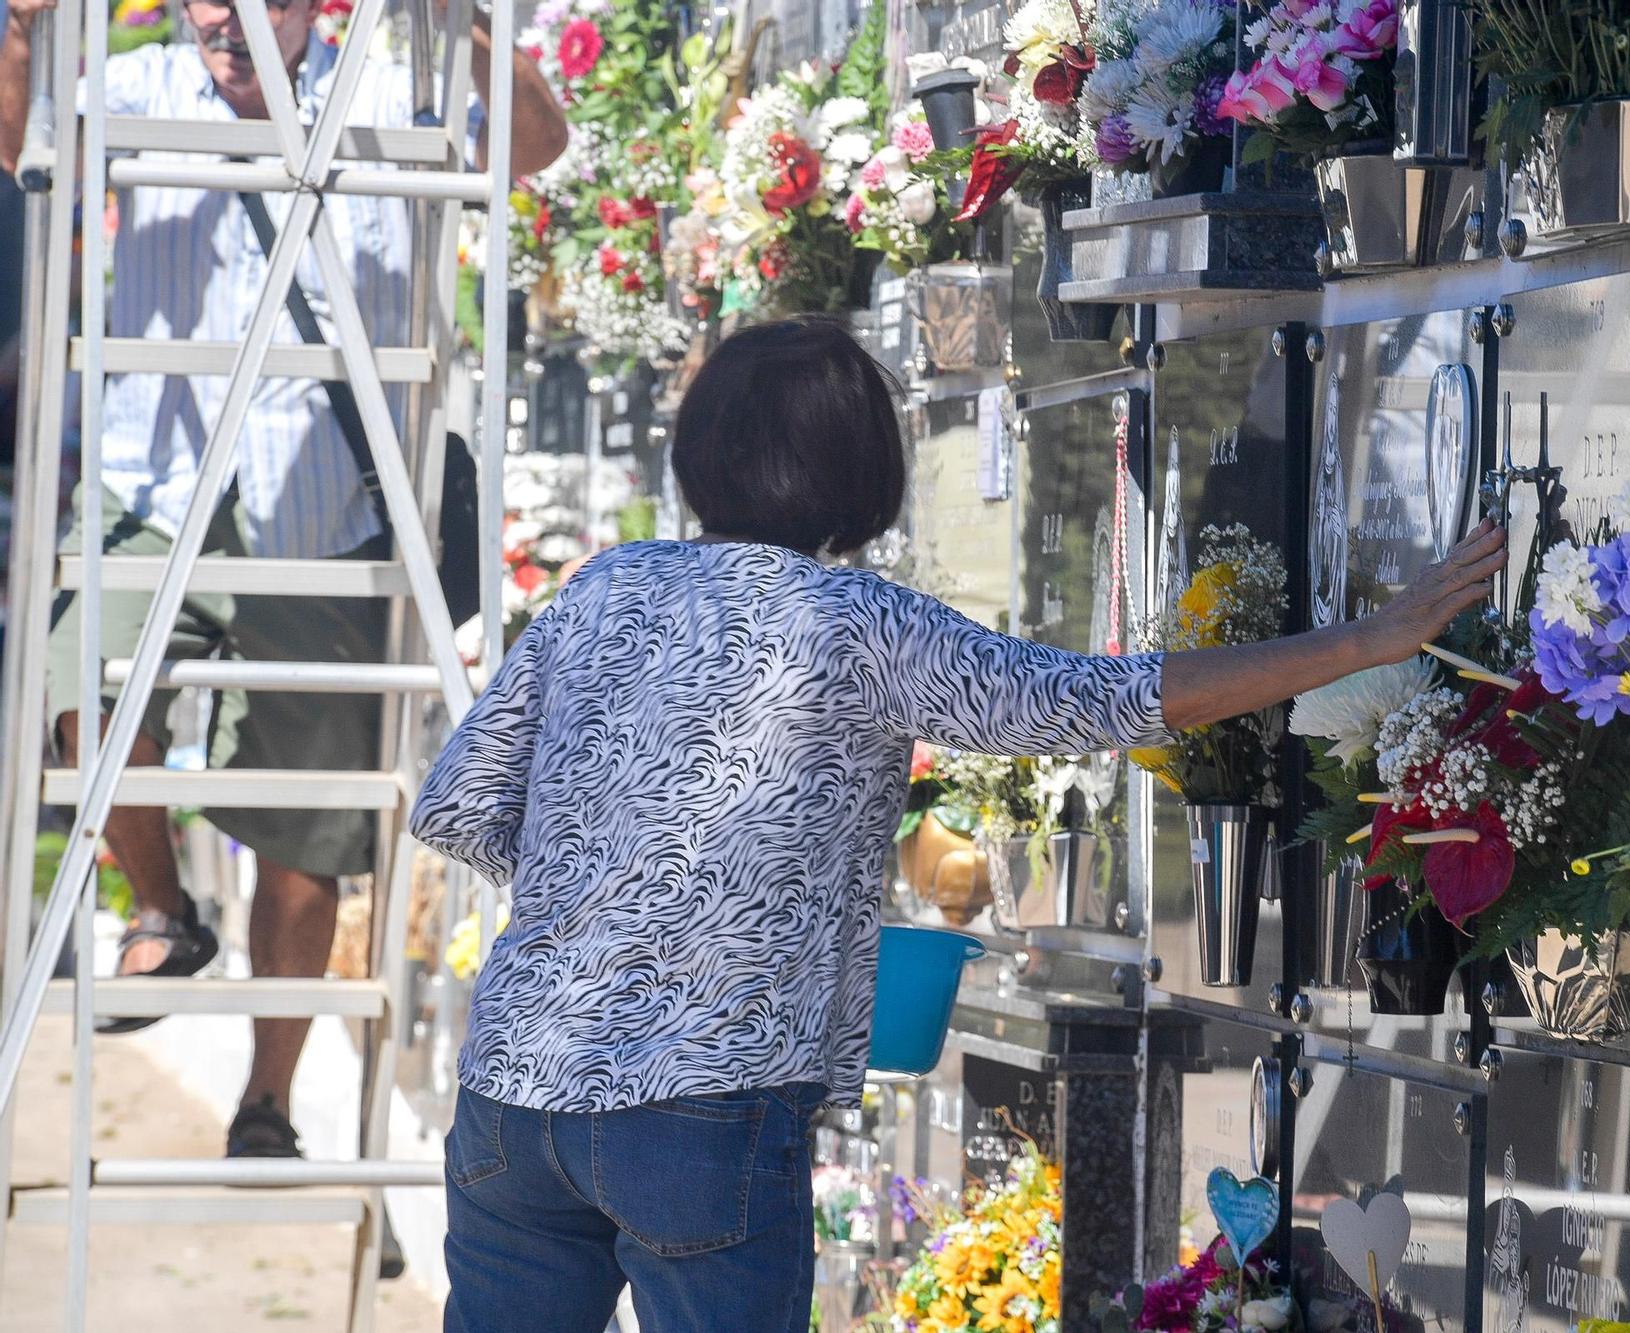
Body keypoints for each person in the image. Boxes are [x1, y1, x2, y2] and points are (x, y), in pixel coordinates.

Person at [410, 317, 1508, 1333]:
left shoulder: (604, 590)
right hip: (708, 1094)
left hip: (516, 1088)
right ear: (859, 467)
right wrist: (1367, 640)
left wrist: (605, 905)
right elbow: (1097, 698)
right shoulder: (854, 622)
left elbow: (457, 804)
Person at [0, 0, 565, 1160]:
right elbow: (18, 144)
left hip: (332, 506)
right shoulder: (140, 80)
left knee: (308, 828)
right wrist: (17, 27)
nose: (227, 12)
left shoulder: (387, 86)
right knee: (79, 696)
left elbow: (537, 146)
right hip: (151, 485)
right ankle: (163, 906)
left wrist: (463, 27)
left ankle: (267, 1101)